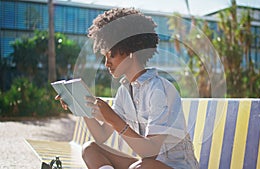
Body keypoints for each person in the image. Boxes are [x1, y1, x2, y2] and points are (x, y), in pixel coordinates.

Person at [56, 8, 199, 169]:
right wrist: (80, 105)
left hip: (174, 166)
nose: (106, 63)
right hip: (146, 164)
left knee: (142, 167)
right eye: (105, 57)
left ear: (130, 52)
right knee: (90, 148)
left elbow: (150, 153)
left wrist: (113, 119)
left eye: (111, 55)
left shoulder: (160, 90)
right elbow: (101, 136)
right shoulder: (124, 91)